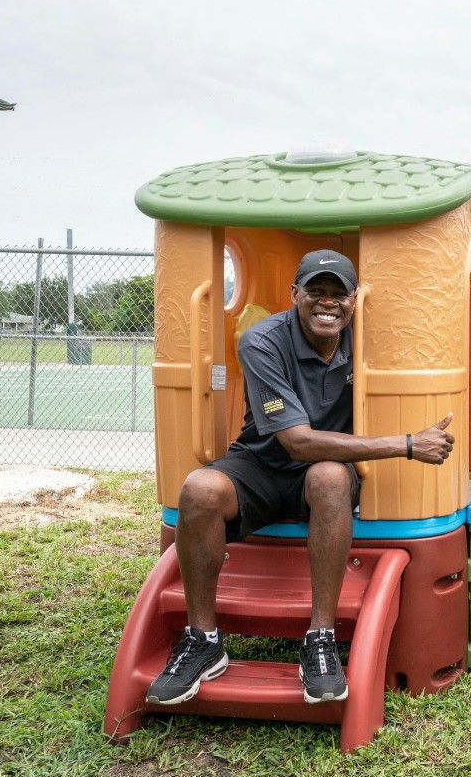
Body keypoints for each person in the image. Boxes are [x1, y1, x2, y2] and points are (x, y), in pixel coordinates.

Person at [146, 250, 455, 707]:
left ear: (354, 301)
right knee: (199, 489)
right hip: (265, 462)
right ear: (295, 295)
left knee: (329, 477)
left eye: (338, 294)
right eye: (316, 291)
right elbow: (297, 442)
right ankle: (203, 639)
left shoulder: (370, 341)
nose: (327, 303)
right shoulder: (262, 341)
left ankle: (321, 638)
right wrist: (407, 445)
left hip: (322, 474)